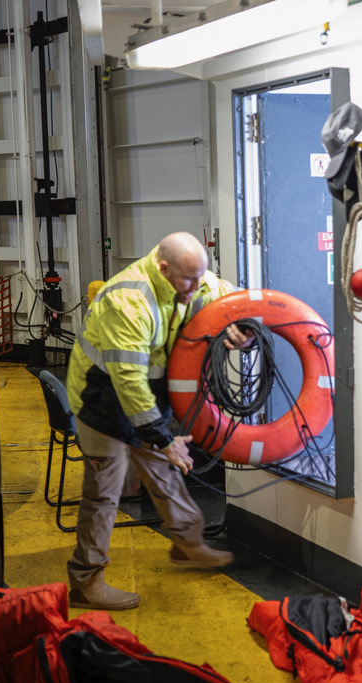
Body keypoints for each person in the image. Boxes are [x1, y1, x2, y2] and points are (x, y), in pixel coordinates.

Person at [65, 232, 250, 610]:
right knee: (103, 493)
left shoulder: (194, 280)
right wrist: (164, 439)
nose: (197, 289)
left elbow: (233, 298)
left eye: (201, 278)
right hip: (101, 403)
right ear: (163, 268)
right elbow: (128, 382)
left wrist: (240, 328)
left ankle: (188, 544)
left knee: (166, 471)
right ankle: (86, 582)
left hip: (145, 398)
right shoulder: (127, 301)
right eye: (188, 281)